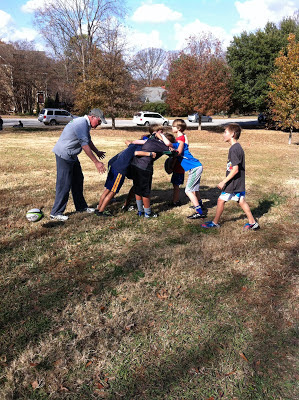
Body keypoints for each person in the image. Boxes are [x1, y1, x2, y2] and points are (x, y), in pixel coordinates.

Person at [50, 108, 107, 221]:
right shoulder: (81, 123)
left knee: (78, 179)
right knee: (64, 183)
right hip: (64, 155)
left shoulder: (85, 123)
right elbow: (84, 145)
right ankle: (55, 213)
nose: (99, 125)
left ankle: (81, 207)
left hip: (72, 155)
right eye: (99, 121)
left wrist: (97, 152)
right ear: (93, 117)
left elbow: (88, 140)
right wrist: (96, 162)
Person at [201, 123, 260, 230]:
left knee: (220, 200)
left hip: (233, 182)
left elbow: (235, 169)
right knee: (241, 200)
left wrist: (224, 181)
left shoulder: (233, 149)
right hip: (239, 182)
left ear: (232, 134)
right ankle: (252, 222)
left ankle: (215, 223)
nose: (223, 134)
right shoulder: (238, 147)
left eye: (225, 132)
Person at [158, 119, 205, 219]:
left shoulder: (179, 140)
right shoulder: (181, 140)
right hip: (197, 167)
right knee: (195, 189)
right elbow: (181, 144)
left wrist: (161, 135)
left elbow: (169, 145)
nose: (172, 128)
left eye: (173, 126)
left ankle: (199, 212)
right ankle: (200, 205)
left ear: (178, 128)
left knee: (188, 190)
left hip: (195, 168)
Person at [129, 124, 170, 218]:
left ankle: (140, 211)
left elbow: (134, 142)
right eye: (161, 131)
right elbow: (169, 146)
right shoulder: (158, 143)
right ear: (156, 133)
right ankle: (148, 213)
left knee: (137, 189)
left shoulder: (148, 140)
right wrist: (163, 138)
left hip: (135, 165)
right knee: (145, 191)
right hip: (144, 168)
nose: (163, 133)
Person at [165, 133, 185, 207]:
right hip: (179, 170)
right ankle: (175, 200)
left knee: (176, 187)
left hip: (178, 170)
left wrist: (171, 168)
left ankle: (175, 202)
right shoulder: (176, 147)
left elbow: (175, 160)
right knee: (175, 186)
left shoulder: (176, 151)